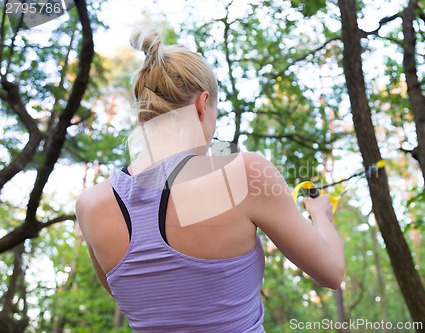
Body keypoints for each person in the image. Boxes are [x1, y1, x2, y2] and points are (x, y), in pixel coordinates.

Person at [75, 28, 344, 333]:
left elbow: (134, 296)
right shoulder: (244, 173)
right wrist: (321, 214)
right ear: (203, 104)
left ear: (142, 116)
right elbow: (331, 273)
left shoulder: (90, 205)